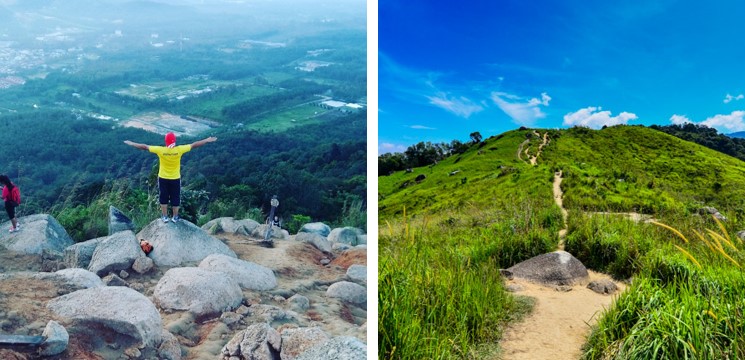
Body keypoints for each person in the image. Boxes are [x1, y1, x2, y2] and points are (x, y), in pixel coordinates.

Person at [124, 132, 217, 223]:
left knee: (163, 196)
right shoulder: (179, 150)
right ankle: (175, 217)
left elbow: (144, 147)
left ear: (165, 141)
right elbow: (194, 145)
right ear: (174, 141)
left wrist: (132, 143)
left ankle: (164, 217)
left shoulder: (161, 150)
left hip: (163, 178)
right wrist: (207, 140)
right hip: (175, 178)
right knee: (175, 197)